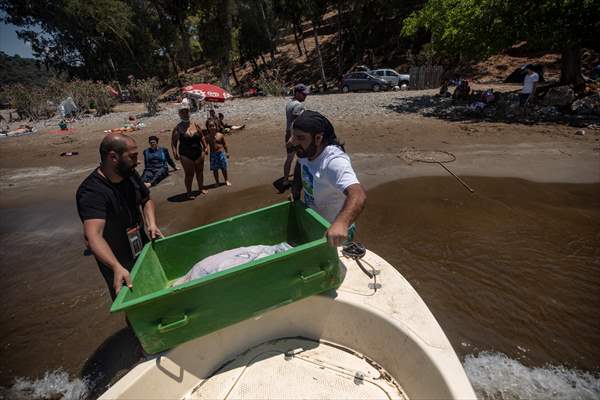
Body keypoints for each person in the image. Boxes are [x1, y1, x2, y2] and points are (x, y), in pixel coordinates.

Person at [76, 133, 163, 300]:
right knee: (133, 302)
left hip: (141, 246)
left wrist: (151, 223)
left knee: (155, 290)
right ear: (113, 157)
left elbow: (146, 199)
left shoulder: (130, 174)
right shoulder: (92, 192)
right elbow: (92, 236)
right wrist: (116, 266)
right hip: (116, 260)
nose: (138, 161)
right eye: (132, 156)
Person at [289, 110, 367, 247]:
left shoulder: (333, 161)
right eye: (293, 136)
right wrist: (295, 189)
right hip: (315, 220)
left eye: (300, 138)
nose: (293, 142)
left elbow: (358, 194)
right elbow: (300, 162)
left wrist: (341, 223)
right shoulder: (306, 151)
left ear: (318, 138)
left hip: (334, 231)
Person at [171, 105, 209, 199]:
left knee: (200, 172)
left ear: (189, 113)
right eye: (182, 112)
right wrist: (174, 152)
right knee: (189, 174)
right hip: (185, 154)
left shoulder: (195, 125)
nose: (185, 114)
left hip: (199, 152)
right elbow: (173, 142)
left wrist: (205, 146)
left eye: (187, 112)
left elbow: (202, 136)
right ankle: (189, 192)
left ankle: (201, 188)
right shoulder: (177, 128)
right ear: (179, 114)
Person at [283, 84, 309, 187]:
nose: (305, 96)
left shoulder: (289, 103)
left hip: (288, 133)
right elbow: (300, 122)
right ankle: (303, 179)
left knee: (289, 158)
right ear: (297, 93)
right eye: (303, 94)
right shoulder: (298, 105)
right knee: (303, 157)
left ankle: (285, 180)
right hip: (296, 136)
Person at [205, 118, 231, 186]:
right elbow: (206, 145)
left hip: (221, 153)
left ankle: (226, 180)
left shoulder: (220, 135)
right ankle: (217, 182)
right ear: (207, 127)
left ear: (216, 126)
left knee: (223, 168)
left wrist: (227, 152)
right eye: (210, 126)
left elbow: (224, 144)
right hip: (213, 155)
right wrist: (206, 149)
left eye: (213, 126)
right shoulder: (207, 137)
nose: (212, 127)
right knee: (215, 169)